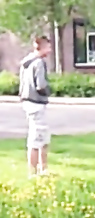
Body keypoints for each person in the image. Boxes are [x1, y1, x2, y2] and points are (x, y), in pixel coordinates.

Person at [18, 36, 53, 178]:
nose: (50, 50)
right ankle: (35, 171)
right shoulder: (39, 63)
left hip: (27, 101)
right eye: (49, 47)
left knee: (41, 135)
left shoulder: (26, 63)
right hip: (37, 102)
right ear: (42, 48)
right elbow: (41, 84)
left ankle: (42, 169)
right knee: (38, 137)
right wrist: (48, 91)